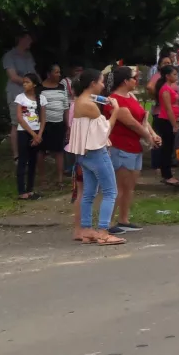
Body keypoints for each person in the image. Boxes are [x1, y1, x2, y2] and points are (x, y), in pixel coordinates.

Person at [67, 68, 123, 246]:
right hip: (96, 152)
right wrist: (116, 110)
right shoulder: (89, 105)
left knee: (89, 193)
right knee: (110, 192)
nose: (102, 85)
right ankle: (104, 232)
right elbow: (105, 129)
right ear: (92, 84)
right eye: (100, 82)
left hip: (83, 155)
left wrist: (104, 100)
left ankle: (86, 230)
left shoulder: (79, 101)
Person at [104, 66, 161, 235]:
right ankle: (106, 222)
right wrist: (149, 138)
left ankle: (123, 219)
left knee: (129, 186)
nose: (136, 81)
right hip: (120, 146)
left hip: (134, 147)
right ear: (125, 81)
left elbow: (143, 118)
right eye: (134, 78)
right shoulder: (113, 100)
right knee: (119, 186)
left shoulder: (131, 96)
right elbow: (131, 123)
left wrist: (153, 134)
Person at [2, 32, 36, 161]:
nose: (30, 41)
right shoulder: (9, 56)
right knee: (16, 123)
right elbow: (13, 77)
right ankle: (17, 155)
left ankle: (30, 151)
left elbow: (33, 72)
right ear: (20, 39)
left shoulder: (28, 55)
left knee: (31, 120)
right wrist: (30, 83)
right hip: (16, 92)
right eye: (28, 39)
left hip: (30, 93)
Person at [14, 72, 45, 201]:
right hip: (24, 132)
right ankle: (22, 191)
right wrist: (33, 134)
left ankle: (30, 189)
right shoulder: (20, 98)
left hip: (37, 132)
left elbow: (43, 118)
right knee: (23, 161)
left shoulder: (41, 98)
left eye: (27, 82)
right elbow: (20, 118)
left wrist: (39, 135)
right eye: (23, 83)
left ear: (34, 84)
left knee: (33, 162)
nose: (24, 85)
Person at [39, 64, 70, 189]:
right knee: (40, 151)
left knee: (59, 151)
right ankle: (42, 178)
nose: (59, 74)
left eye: (59, 72)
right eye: (56, 72)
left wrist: (67, 125)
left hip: (59, 124)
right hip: (44, 125)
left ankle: (60, 179)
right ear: (48, 74)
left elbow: (66, 107)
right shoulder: (39, 88)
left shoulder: (62, 87)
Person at [152, 64, 179, 187]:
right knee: (167, 149)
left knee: (169, 148)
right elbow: (168, 109)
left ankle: (168, 173)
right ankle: (167, 175)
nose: (176, 76)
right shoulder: (165, 89)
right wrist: (174, 125)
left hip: (170, 120)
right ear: (167, 76)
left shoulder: (170, 87)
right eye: (174, 74)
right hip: (166, 121)